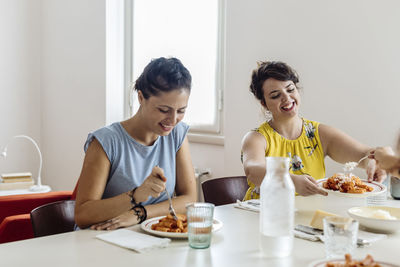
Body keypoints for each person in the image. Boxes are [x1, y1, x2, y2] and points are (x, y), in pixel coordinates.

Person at [74, 57, 197, 230]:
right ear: (140, 97)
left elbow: (190, 199)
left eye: (181, 111)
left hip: (150, 239)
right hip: (102, 240)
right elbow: (83, 215)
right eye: (164, 110)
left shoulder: (177, 134)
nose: (173, 119)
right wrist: (135, 195)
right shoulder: (106, 142)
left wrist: (140, 213)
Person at [241, 61, 387, 200]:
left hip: (307, 218)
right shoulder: (256, 138)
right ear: (264, 103)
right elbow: (253, 170)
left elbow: (363, 153)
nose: (287, 98)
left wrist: (372, 162)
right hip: (262, 214)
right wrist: (290, 181)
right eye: (275, 95)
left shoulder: (319, 133)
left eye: (290, 89)